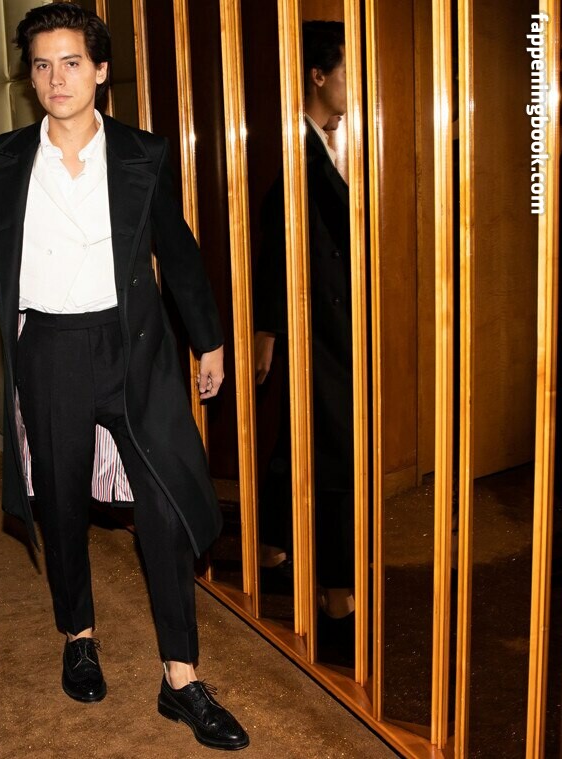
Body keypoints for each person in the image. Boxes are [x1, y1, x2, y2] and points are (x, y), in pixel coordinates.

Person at [0, 4, 249, 752]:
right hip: (49, 348)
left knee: (165, 505)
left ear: (99, 70)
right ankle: (79, 635)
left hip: (135, 347)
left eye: (71, 62)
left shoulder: (141, 152)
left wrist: (209, 340)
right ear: (30, 78)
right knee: (60, 504)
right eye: (42, 65)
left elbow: (177, 247)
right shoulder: (7, 157)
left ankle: (181, 677)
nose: (56, 78)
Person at [254, 21, 354, 657]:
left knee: (304, 441)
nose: (355, 88)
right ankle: (335, 592)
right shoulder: (292, 146)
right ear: (318, 75)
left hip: (327, 324)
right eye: (347, 73)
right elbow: (275, 240)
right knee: (333, 449)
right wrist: (267, 326)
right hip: (312, 327)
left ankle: (272, 547)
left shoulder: (332, 143)